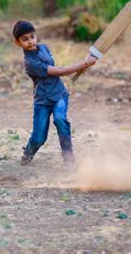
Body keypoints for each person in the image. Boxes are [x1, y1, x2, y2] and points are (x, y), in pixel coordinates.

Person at [12, 20, 97, 165]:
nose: (30, 42)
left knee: (60, 119)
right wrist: (84, 64)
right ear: (17, 43)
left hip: (59, 94)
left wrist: (81, 67)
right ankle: (28, 153)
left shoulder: (44, 47)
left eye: (32, 36)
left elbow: (58, 68)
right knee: (39, 137)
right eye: (25, 39)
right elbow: (60, 71)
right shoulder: (30, 63)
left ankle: (68, 158)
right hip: (42, 100)